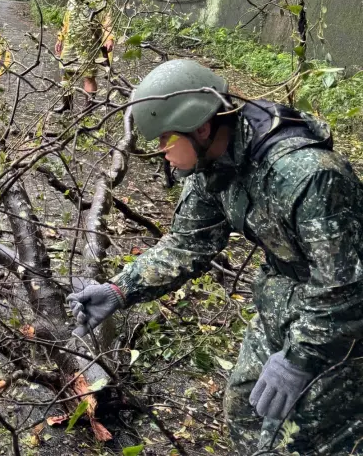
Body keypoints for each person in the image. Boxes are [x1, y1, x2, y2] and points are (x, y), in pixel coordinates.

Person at [67, 59, 363, 454]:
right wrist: (120, 290)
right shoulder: (213, 165)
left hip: (342, 330)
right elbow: (187, 244)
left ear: (202, 127)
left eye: (165, 140)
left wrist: (300, 358)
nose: (161, 153)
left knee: (299, 443)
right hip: (282, 305)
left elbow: (346, 286)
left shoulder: (307, 175)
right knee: (243, 409)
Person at [53, 0, 114, 113]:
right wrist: (60, 38)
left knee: (88, 75)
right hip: (71, 43)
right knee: (66, 72)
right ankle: (67, 104)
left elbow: (107, 22)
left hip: (89, 43)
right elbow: (66, 22)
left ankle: (88, 108)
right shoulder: (72, 0)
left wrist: (109, 38)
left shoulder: (99, 2)